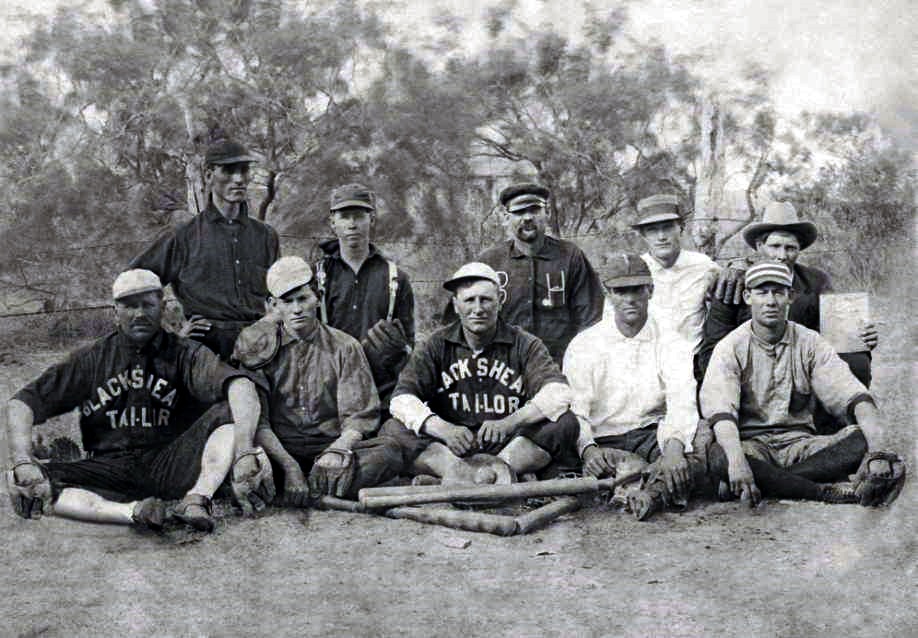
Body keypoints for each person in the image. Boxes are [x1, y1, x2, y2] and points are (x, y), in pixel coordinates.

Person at [5, 269, 275, 532]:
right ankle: (134, 512)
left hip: (172, 462)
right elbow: (23, 402)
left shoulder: (184, 352)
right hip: (109, 467)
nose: (139, 314)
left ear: (163, 306)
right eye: (129, 306)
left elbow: (240, 384)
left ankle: (196, 499)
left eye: (148, 304)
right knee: (33, 483)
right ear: (115, 313)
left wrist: (243, 452)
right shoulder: (92, 357)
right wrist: (21, 459)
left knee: (227, 411)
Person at [698, 261, 905, 508]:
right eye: (762, 292)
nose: (771, 301)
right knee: (719, 456)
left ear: (791, 297)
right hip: (752, 446)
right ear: (747, 296)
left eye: (779, 292)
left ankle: (774, 483)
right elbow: (721, 412)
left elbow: (853, 395)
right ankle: (821, 491)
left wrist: (878, 454)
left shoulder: (810, 342)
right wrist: (736, 462)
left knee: (861, 438)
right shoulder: (730, 347)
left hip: (801, 444)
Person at [383, 262, 579, 484]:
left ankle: (486, 472)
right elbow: (401, 399)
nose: (478, 309)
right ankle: (472, 474)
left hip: (509, 444)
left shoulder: (524, 343)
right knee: (393, 428)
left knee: (565, 422)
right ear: (456, 305)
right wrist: (444, 429)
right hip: (452, 446)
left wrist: (509, 423)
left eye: (485, 300)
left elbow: (559, 392)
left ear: (499, 302)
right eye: (469, 300)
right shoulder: (436, 344)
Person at [233, 257, 403, 503]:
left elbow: (358, 417)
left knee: (389, 451)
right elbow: (259, 423)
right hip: (279, 450)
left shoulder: (345, 347)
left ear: (318, 297)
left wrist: (337, 449)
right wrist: (290, 467)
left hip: (329, 446)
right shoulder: (259, 350)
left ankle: (303, 487)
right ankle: (317, 486)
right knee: (241, 458)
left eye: (303, 299)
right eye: (287, 302)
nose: (297, 309)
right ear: (273, 306)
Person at [563, 253, 711, 513]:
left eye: (637, 290)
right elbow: (577, 412)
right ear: (607, 292)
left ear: (650, 291)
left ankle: (648, 493)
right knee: (588, 463)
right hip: (605, 439)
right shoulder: (585, 344)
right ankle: (649, 485)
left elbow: (682, 400)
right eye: (620, 291)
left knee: (700, 441)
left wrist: (674, 450)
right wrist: (588, 451)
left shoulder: (671, 340)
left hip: (651, 434)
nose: (629, 299)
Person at [696, 201, 878, 396]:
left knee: (857, 361)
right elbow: (712, 349)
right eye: (774, 246)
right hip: (751, 373)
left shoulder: (816, 281)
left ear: (799, 249)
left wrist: (859, 336)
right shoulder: (735, 282)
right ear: (759, 246)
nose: (782, 256)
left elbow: (835, 337)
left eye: (790, 248)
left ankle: (841, 421)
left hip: (802, 370)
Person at [130, 138, 280, 360]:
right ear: (209, 176)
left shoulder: (265, 236)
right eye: (228, 170)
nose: (238, 179)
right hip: (203, 351)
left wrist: (268, 323)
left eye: (244, 170)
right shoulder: (182, 236)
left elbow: (283, 296)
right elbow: (133, 284)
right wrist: (170, 335)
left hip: (259, 347)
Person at [456, 182, 603, 363]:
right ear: (505, 217)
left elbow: (590, 318)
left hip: (559, 363)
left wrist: (578, 361)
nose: (527, 218)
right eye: (518, 212)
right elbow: (466, 319)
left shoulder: (570, 256)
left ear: (547, 213)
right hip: (504, 364)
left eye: (534, 210)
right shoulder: (489, 262)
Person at [313, 183, 414, 405]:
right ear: (333, 222)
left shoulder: (395, 277)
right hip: (331, 386)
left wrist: (398, 350)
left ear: (372, 220)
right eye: (344, 216)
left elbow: (409, 344)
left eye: (359, 216)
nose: (352, 224)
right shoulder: (318, 275)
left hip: (382, 387)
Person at [632, 193, 721, 398]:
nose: (661, 237)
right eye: (653, 230)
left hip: (695, 366)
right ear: (643, 236)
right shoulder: (635, 272)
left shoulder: (704, 266)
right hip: (647, 368)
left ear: (681, 228)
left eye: (667, 228)